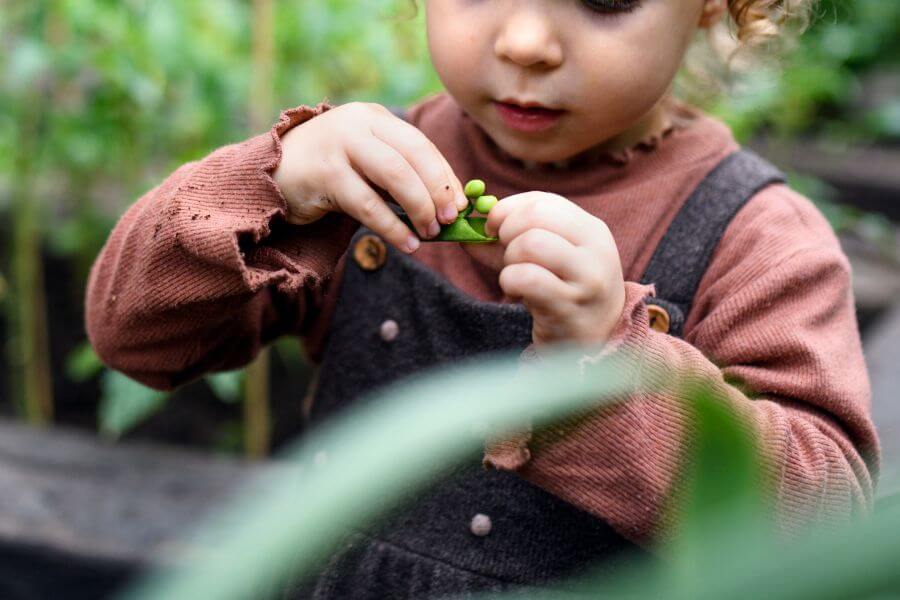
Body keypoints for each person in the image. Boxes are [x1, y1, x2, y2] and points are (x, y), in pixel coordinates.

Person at [86, 0, 879, 597]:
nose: (525, 43)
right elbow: (134, 336)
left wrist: (605, 358)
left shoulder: (754, 238)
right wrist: (267, 182)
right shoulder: (351, 182)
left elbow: (823, 528)